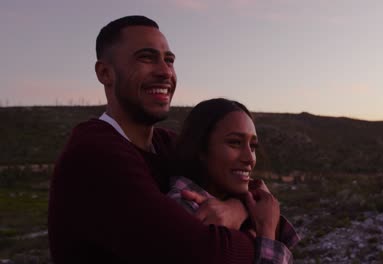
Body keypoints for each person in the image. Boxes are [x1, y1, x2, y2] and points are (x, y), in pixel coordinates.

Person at [48, 15, 292, 263]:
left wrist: (236, 210)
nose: (165, 72)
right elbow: (202, 253)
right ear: (105, 73)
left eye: (169, 60)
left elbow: (254, 193)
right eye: (146, 58)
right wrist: (263, 236)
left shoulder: (165, 144)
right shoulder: (94, 155)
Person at [168, 98, 300, 252]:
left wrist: (242, 206)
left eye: (253, 146)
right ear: (200, 149)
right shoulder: (186, 211)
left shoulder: (243, 204)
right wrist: (267, 231)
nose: (249, 158)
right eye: (235, 143)